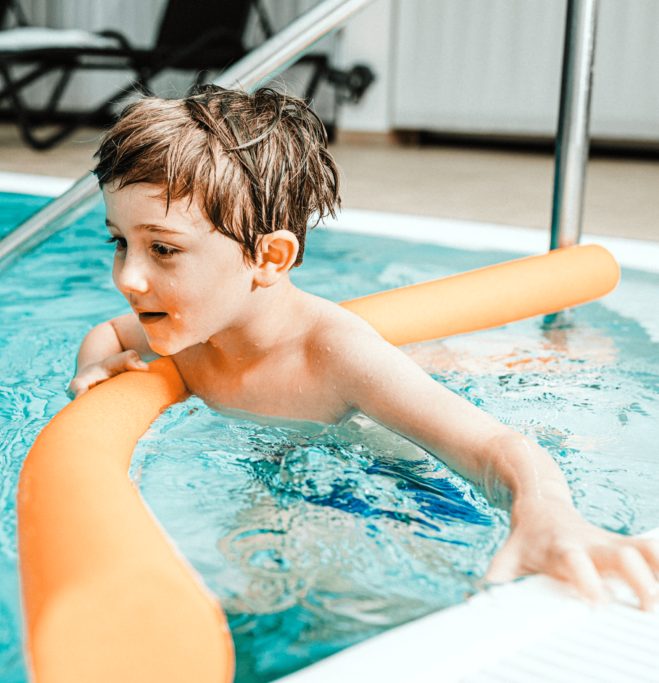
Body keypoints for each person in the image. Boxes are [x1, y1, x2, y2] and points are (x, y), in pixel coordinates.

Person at [68, 84, 659, 610]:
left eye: (163, 250)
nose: (128, 278)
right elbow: (109, 332)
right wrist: (94, 365)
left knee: (282, 597)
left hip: (392, 487)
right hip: (283, 469)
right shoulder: (188, 328)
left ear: (268, 258)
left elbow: (491, 445)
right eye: (120, 242)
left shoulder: (334, 355)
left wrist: (548, 511)